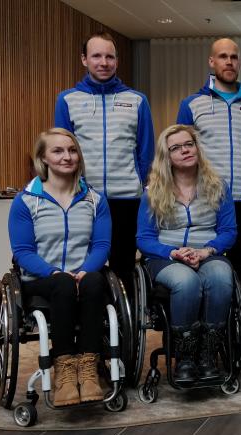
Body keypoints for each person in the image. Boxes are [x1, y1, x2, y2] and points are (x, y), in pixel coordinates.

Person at [8, 128, 111, 406]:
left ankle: (89, 370)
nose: (67, 157)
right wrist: (53, 272)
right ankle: (64, 371)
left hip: (84, 275)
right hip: (41, 279)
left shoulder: (95, 200)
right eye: (58, 151)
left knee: (93, 281)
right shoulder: (26, 200)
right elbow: (23, 251)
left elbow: (101, 245)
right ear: (43, 158)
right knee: (63, 283)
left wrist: (85, 270)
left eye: (72, 150)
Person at [54, 31, 154, 296]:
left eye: (110, 56)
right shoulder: (67, 100)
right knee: (88, 266)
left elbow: (146, 153)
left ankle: (126, 326)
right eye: (96, 55)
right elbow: (62, 152)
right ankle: (95, 324)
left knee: (124, 265)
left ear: (117, 61)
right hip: (84, 198)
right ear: (84, 59)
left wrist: (139, 182)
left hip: (126, 198)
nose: (104, 62)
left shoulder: (137, 100)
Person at [136, 125, 237, 384]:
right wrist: (173, 252)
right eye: (176, 148)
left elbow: (229, 231)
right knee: (186, 281)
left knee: (221, 276)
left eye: (188, 144)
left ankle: (207, 354)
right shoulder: (153, 191)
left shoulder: (218, 186)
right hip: (166, 257)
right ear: (166, 157)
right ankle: (185, 358)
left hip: (207, 253)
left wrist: (206, 250)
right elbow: (144, 239)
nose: (184, 151)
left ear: (197, 147)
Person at [177, 38, 241, 269]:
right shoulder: (191, 104)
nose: (229, 62)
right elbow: (182, 151)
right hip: (206, 196)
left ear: (239, 63)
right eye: (223, 56)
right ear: (212, 61)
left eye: (234, 57)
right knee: (208, 259)